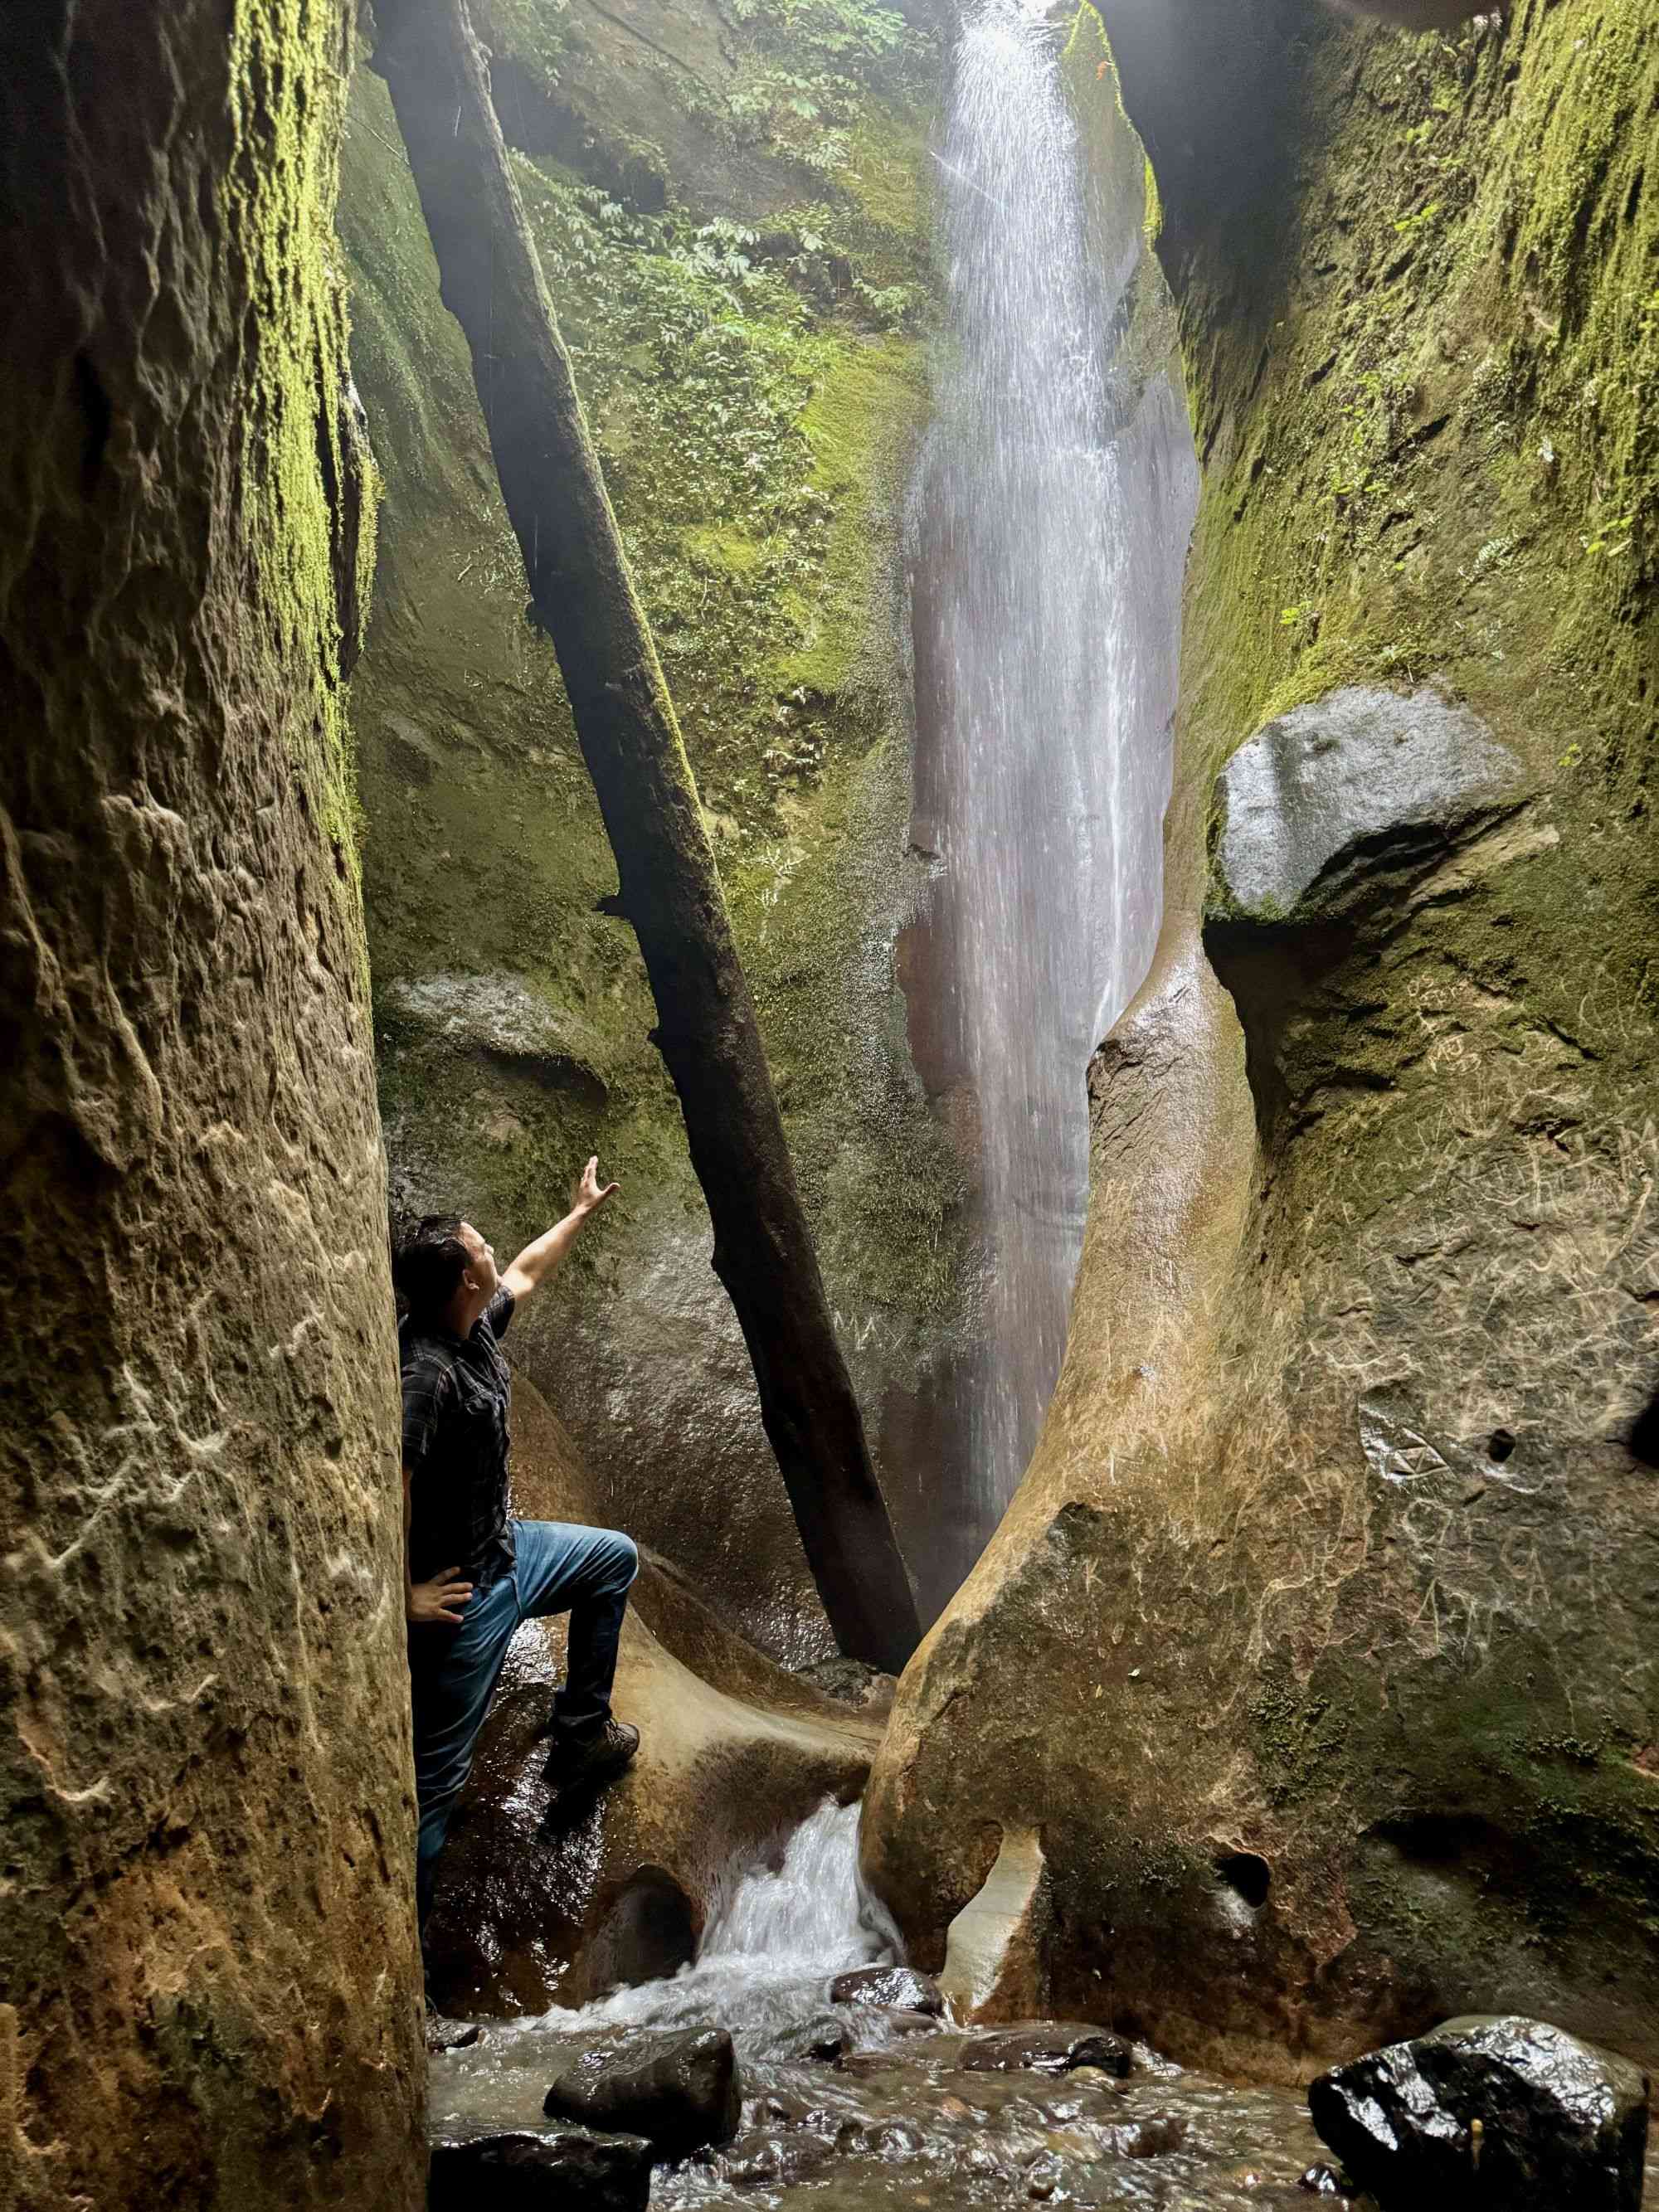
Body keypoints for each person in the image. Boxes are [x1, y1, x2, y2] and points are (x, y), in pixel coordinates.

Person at [393, 1159, 640, 1929]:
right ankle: (410, 1965)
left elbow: (527, 1271)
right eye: (480, 1248)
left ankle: (580, 1734)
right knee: (435, 1785)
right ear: (465, 1280)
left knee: (615, 1559)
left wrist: (579, 1212)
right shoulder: (427, 1372)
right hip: (465, 1594)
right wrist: (404, 1593)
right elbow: (392, 1481)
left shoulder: (471, 1324)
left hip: (512, 1551)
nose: (492, 1249)